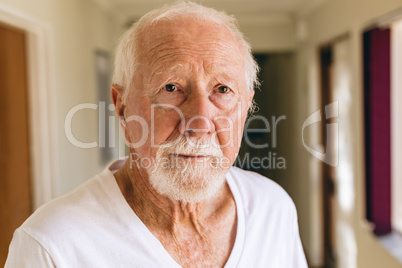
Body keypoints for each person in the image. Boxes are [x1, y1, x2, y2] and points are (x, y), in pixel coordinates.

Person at [6, 2, 307, 267]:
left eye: (223, 90)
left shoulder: (273, 209)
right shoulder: (51, 246)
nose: (200, 123)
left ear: (245, 107)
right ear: (121, 105)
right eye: (171, 88)